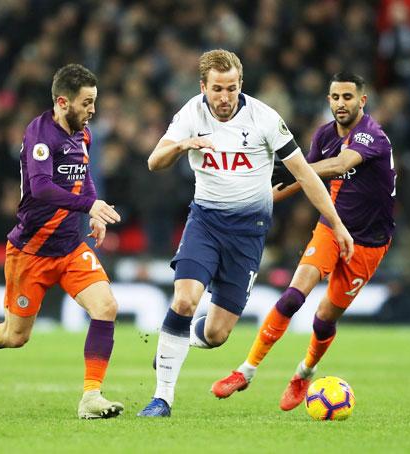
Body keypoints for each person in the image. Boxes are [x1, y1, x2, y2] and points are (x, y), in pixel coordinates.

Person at [137, 49, 354, 417]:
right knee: (186, 301)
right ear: (203, 86)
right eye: (217, 89)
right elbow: (154, 162)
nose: (225, 97)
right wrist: (182, 145)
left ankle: (173, 342)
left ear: (241, 85)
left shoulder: (264, 119)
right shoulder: (191, 112)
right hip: (204, 223)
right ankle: (162, 399)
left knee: (217, 334)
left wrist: (337, 223)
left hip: (248, 234)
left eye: (232, 88)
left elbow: (305, 175)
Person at [0, 64, 125, 420]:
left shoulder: (83, 135)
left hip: (71, 247)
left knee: (105, 307)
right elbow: (42, 188)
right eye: (87, 103)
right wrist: (90, 204)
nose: (93, 110)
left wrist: (91, 212)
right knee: (15, 336)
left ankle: (91, 397)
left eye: (94, 102)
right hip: (31, 252)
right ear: (63, 102)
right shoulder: (40, 134)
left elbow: (83, 177)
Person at [212, 71, 396, 411]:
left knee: (325, 318)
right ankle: (245, 370)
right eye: (336, 97)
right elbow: (300, 180)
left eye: (348, 97)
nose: (341, 104)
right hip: (332, 227)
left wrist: (298, 170)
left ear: (362, 101)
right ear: (328, 100)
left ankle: (303, 372)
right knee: (293, 296)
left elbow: (340, 164)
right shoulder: (324, 135)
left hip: (368, 242)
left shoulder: (372, 136)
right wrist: (251, 204)